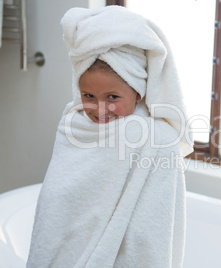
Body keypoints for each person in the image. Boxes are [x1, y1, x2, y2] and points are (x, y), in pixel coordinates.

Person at [27, 5, 193, 268]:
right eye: (88, 96)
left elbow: (152, 229)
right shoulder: (74, 125)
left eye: (112, 97)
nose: (99, 109)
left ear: (138, 93)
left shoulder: (157, 139)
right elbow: (55, 208)